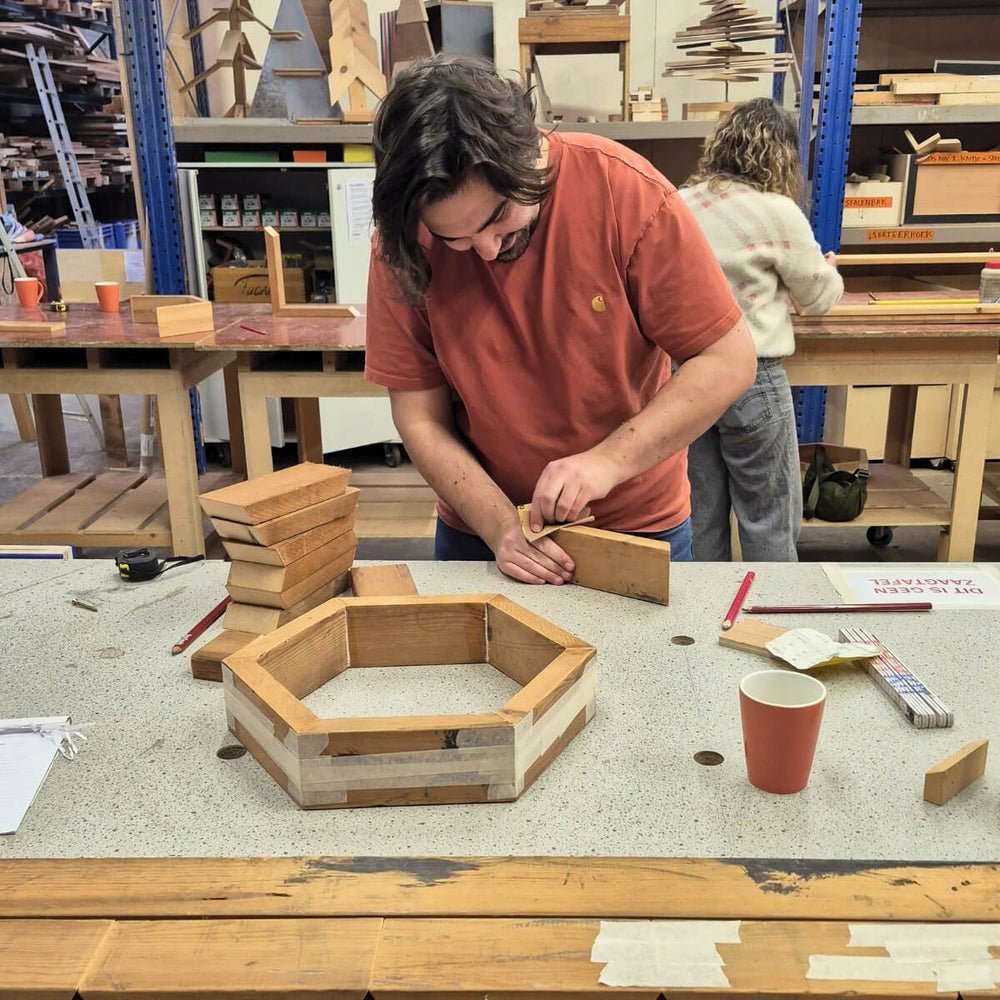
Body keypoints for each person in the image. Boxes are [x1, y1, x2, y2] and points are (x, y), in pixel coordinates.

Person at [364, 55, 757, 585]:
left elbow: (728, 359)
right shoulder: (403, 244)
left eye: (499, 216)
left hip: (632, 526)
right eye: (455, 239)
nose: (483, 250)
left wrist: (608, 462)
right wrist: (501, 526)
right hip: (479, 530)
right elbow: (420, 418)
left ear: (528, 153)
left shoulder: (625, 193)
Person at [679, 97, 843, 562]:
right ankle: (772, 621)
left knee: (698, 513)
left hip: (684, 376)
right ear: (783, 155)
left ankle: (701, 622)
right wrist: (827, 271)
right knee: (768, 515)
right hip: (753, 373)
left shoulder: (678, 202)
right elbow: (818, 300)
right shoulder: (777, 210)